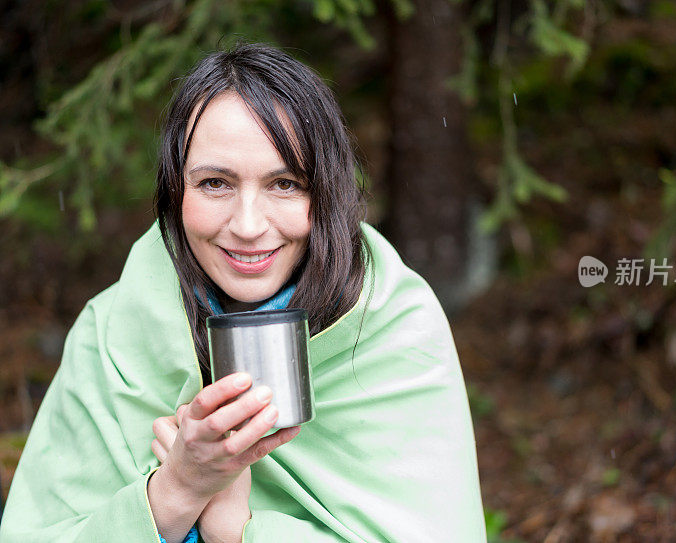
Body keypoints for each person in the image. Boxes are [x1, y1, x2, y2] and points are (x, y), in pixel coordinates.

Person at [0, 43, 486, 543]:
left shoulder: (394, 324)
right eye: (215, 183)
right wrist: (178, 491)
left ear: (328, 192)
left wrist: (234, 528)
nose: (249, 226)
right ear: (175, 191)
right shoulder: (112, 334)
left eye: (285, 184)